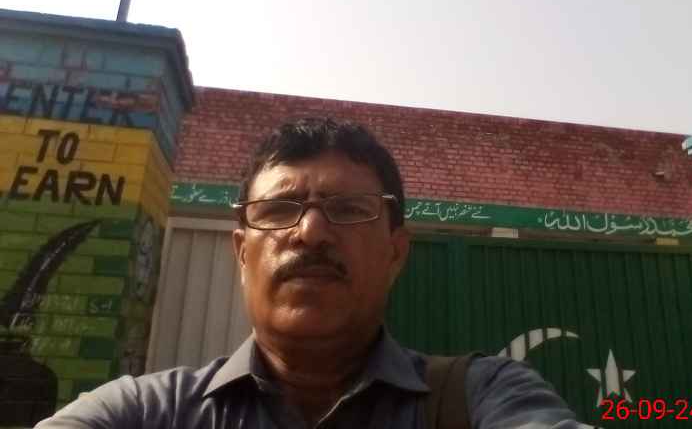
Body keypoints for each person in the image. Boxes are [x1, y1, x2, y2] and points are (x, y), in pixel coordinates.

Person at [36, 118, 578, 428]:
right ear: (241, 253)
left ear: (395, 253)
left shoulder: (483, 398)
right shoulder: (146, 413)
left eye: (348, 209)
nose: (311, 232)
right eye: (278, 210)